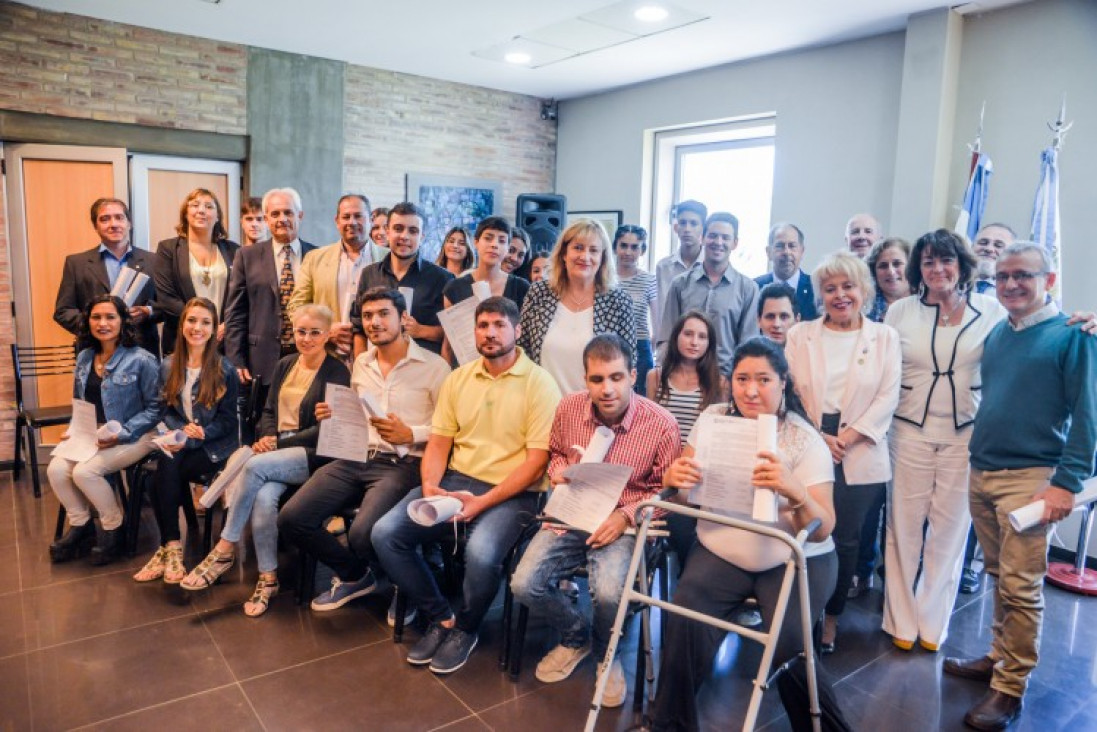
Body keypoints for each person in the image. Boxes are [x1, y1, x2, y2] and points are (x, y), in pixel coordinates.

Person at [945, 241, 1097, 731]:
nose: (1011, 284)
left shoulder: (1075, 336)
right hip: (983, 469)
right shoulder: (1000, 334)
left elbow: (1088, 420)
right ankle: (997, 657)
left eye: (1023, 276)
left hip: (1032, 481)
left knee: (1020, 586)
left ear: (1048, 281)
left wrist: (1065, 485)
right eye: (1004, 275)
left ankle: (1010, 690)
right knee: (997, 575)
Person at [651, 337, 839, 731]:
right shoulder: (712, 420)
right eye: (741, 379)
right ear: (729, 381)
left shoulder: (805, 439)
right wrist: (675, 477)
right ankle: (670, 725)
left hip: (793, 559)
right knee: (685, 617)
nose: (751, 390)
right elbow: (686, 488)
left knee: (791, 646)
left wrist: (796, 491)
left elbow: (824, 528)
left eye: (763, 380)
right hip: (723, 547)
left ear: (783, 382)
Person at [372, 297, 561, 675]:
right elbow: (439, 442)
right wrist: (429, 487)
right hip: (456, 481)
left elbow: (537, 461)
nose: (490, 333)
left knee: (481, 553)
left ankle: (467, 627)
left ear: (517, 331)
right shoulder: (459, 378)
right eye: (483, 325)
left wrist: (483, 502)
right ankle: (442, 618)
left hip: (513, 491)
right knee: (385, 533)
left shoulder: (540, 383)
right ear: (473, 331)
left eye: (499, 325)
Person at [511, 334, 680, 707]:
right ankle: (577, 636)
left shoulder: (661, 424)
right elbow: (555, 454)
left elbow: (669, 494)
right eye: (597, 379)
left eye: (616, 377)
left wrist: (625, 517)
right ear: (585, 379)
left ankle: (609, 654)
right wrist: (559, 472)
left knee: (607, 592)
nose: (607, 389)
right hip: (573, 512)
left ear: (633, 375)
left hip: (624, 519)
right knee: (524, 584)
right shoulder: (569, 409)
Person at [279, 288, 450, 612]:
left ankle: (407, 585)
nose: (374, 322)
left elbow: (449, 428)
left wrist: (410, 433)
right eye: (368, 316)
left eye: (383, 314)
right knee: (292, 518)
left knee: (362, 533)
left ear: (403, 319)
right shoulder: (361, 363)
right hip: (357, 455)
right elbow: (357, 417)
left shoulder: (434, 366)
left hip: (405, 463)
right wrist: (333, 415)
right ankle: (357, 574)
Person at [181, 304, 350, 616]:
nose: (307, 338)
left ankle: (225, 547)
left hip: (315, 455)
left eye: (315, 333)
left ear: (327, 335)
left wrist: (279, 441)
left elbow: (327, 428)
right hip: (276, 454)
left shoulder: (337, 370)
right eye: (301, 331)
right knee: (263, 497)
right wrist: (269, 436)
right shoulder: (286, 363)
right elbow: (269, 410)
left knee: (253, 465)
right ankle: (268, 578)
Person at [882, 229, 1006, 652]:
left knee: (950, 534)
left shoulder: (991, 310)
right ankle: (900, 620)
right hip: (908, 432)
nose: (938, 270)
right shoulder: (899, 312)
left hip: (965, 435)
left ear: (962, 265)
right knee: (904, 529)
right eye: (929, 262)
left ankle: (932, 626)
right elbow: (883, 371)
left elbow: (1030, 334)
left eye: (946, 260)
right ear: (919, 268)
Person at [785, 252, 901, 654]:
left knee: (845, 540)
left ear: (863, 290)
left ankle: (831, 618)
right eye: (830, 288)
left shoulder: (884, 337)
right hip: (809, 442)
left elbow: (888, 396)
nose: (840, 295)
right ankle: (796, 611)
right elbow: (791, 392)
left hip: (860, 449)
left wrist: (847, 438)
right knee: (801, 529)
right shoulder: (801, 334)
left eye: (848, 286)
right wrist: (819, 438)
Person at [47, 295, 162, 565]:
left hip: (139, 434)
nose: (103, 323)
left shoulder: (142, 360)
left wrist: (119, 434)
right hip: (93, 434)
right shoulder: (85, 357)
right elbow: (80, 403)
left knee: (85, 472)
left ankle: (114, 530)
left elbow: (156, 410)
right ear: (88, 322)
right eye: (96, 317)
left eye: (110, 317)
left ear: (123, 321)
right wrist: (73, 430)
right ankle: (82, 526)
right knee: (55, 469)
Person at [134, 298, 239, 584]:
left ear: (215, 328)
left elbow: (230, 423)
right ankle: (171, 548)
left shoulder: (225, 369)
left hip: (214, 447)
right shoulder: (168, 366)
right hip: (181, 442)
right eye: (192, 320)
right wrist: (180, 432)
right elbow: (165, 410)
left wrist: (200, 433)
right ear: (182, 326)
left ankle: (168, 548)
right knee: (167, 462)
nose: (198, 327)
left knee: (164, 470)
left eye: (206, 322)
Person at [224, 187, 318, 421]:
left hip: (307, 355)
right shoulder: (247, 256)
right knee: (262, 425)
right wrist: (235, 360)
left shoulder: (318, 256)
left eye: (288, 212)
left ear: (300, 215)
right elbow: (235, 313)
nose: (282, 219)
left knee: (301, 422)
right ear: (266, 219)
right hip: (262, 360)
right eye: (274, 214)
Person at [518, 219, 635, 395]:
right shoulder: (538, 293)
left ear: (602, 258)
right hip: (542, 407)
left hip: (597, 411)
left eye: (593, 250)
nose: (585, 257)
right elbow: (521, 350)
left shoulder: (618, 301)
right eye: (578, 248)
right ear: (564, 253)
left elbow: (627, 364)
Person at [647, 310, 726, 563]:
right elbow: (648, 426)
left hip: (696, 475)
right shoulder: (655, 376)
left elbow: (719, 437)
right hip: (660, 469)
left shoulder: (719, 383)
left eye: (702, 337)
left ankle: (688, 579)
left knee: (689, 532)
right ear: (676, 337)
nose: (694, 342)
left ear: (709, 345)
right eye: (688, 334)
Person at [55, 198, 161, 356]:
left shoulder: (154, 261)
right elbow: (63, 311)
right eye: (105, 219)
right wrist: (96, 325)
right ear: (95, 226)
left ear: (129, 223)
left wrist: (148, 311)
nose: (113, 224)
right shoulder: (76, 263)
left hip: (141, 350)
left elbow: (167, 306)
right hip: (93, 351)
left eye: (119, 217)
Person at [659, 212, 759, 375]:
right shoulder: (680, 284)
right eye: (713, 236)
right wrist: (664, 375)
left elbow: (748, 346)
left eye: (725, 238)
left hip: (725, 380)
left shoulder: (748, 289)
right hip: (682, 377)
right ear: (703, 238)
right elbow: (667, 336)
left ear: (735, 243)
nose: (718, 242)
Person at [350, 202, 453, 357]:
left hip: (424, 368)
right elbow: (358, 327)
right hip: (378, 368)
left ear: (422, 236)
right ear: (387, 231)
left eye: (413, 231)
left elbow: (453, 334)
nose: (404, 236)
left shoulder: (443, 278)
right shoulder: (369, 274)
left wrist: (422, 331)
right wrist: (359, 366)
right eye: (398, 229)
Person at [287, 194, 379, 358]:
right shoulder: (315, 258)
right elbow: (296, 307)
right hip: (328, 354)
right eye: (346, 217)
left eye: (358, 216)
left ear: (371, 219)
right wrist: (325, 330)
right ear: (337, 221)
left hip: (376, 356)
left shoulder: (388, 259)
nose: (352, 222)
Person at [154, 188, 239, 352]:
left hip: (224, 340)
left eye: (208, 206)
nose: (201, 210)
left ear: (218, 216)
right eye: (195, 205)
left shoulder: (234, 250)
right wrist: (201, 326)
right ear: (185, 214)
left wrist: (226, 325)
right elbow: (166, 298)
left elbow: (242, 296)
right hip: (182, 340)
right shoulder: (168, 249)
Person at [442, 216, 529, 312]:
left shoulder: (522, 288)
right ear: (476, 242)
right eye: (488, 238)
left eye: (502, 241)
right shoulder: (454, 288)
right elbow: (451, 326)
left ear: (507, 247)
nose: (494, 245)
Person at [613, 224, 658, 396]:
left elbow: (657, 321)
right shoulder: (604, 278)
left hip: (641, 347)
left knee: (640, 402)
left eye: (634, 247)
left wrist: (650, 348)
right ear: (615, 247)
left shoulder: (649, 280)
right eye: (623, 245)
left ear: (642, 250)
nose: (628, 252)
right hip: (610, 346)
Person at [655, 200, 707, 326]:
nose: (687, 229)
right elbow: (661, 311)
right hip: (671, 336)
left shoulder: (710, 266)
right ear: (676, 227)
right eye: (683, 223)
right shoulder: (663, 267)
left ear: (703, 228)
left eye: (693, 223)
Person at [754, 222, 818, 320]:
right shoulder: (754, 288)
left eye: (792, 246)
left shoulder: (816, 287)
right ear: (769, 252)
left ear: (802, 251)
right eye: (780, 246)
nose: (787, 252)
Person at [865, 237, 912, 323]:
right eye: (883, 266)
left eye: (897, 264)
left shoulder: (927, 303)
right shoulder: (865, 307)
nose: (891, 272)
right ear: (874, 272)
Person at [971, 223, 1016, 294]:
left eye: (998, 245)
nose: (989, 249)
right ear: (972, 247)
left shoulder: (1017, 293)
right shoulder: (952, 283)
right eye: (983, 243)